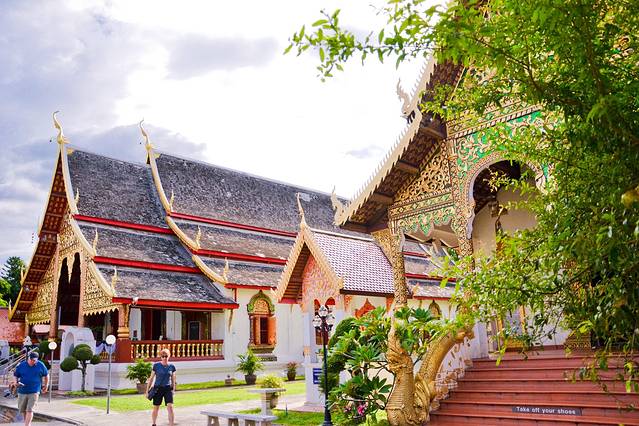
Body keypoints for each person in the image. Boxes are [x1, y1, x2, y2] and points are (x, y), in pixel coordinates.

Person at [12, 352, 49, 426]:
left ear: (37, 359)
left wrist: (46, 385)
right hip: (22, 391)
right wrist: (15, 382)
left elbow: (46, 375)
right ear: (28, 358)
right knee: (23, 410)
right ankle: (27, 423)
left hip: (34, 391)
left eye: (34, 360)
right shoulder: (22, 365)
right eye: (31, 360)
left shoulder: (40, 365)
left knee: (30, 409)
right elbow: (15, 375)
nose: (33, 361)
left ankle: (27, 425)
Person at [145, 348, 176, 426]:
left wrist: (173, 390)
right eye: (163, 356)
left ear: (169, 356)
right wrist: (147, 391)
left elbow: (173, 379)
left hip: (167, 389)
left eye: (166, 356)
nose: (164, 358)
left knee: (170, 407)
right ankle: (154, 423)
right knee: (156, 407)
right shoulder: (156, 365)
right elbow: (151, 379)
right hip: (158, 389)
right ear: (161, 357)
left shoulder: (172, 366)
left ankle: (171, 424)